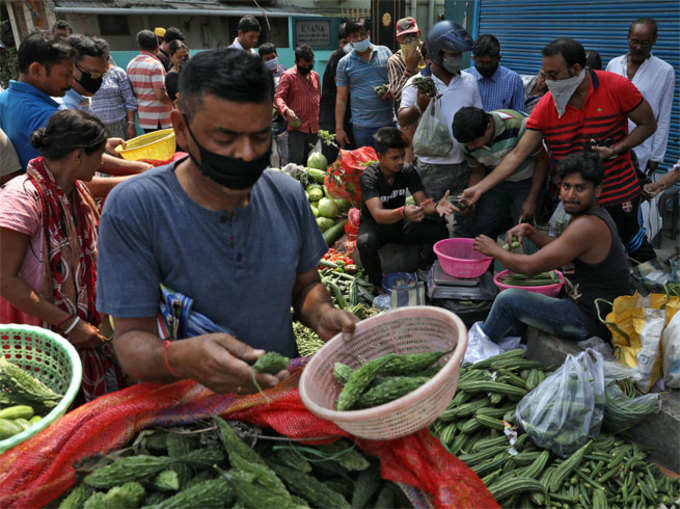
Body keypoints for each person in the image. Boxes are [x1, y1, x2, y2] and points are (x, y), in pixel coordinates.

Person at [96, 49, 358, 395]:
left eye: (260, 136)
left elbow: (305, 286)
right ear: (180, 129)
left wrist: (322, 312)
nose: (247, 154)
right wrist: (180, 358)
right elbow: (129, 343)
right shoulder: (136, 208)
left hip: (277, 395)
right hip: (186, 412)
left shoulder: (286, 194)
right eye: (225, 138)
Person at [462, 38, 658, 263]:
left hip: (618, 191)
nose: (547, 81)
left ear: (577, 69)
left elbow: (648, 124)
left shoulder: (616, 87)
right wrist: (479, 189)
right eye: (545, 74)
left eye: (553, 75)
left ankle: (660, 293)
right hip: (574, 198)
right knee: (579, 257)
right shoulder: (546, 106)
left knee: (634, 249)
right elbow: (518, 154)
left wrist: (615, 149)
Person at [0, 109, 125, 401]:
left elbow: (98, 186)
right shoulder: (21, 199)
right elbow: (4, 280)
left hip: (80, 325)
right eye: (99, 157)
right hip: (39, 331)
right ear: (78, 156)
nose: (102, 164)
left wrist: (145, 176)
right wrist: (68, 322)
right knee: (50, 401)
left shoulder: (71, 188)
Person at [473, 149, 632, 342]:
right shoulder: (589, 217)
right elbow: (563, 247)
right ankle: (505, 348)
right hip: (586, 309)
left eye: (580, 188)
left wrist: (494, 250)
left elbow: (530, 267)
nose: (570, 195)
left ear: (597, 190)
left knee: (508, 300)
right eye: (566, 186)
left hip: (590, 322)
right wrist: (532, 232)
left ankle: (477, 354)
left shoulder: (588, 225)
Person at [0, 31, 149, 189]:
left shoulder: (6, 99)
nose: (71, 82)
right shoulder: (46, 115)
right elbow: (79, 181)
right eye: (65, 75)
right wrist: (142, 173)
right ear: (37, 70)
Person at [357, 127, 455, 287]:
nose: (401, 161)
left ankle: (426, 266)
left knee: (440, 230)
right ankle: (377, 284)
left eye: (402, 156)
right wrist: (403, 211)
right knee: (365, 242)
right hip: (376, 226)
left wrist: (436, 206)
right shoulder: (369, 177)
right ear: (380, 157)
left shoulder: (407, 171)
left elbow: (422, 203)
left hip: (400, 224)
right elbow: (378, 215)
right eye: (394, 158)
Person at [398, 20, 482, 202]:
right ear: (437, 54)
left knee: (459, 218)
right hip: (429, 168)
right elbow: (402, 119)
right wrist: (419, 107)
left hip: (463, 165)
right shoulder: (417, 83)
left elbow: (479, 119)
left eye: (460, 54)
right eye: (453, 54)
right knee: (429, 219)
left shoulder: (469, 81)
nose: (458, 58)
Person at [452, 106, 548, 238]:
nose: (470, 147)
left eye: (474, 143)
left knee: (523, 226)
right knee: (485, 223)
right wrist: (472, 192)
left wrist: (532, 199)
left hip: (526, 182)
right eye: (467, 144)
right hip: (495, 184)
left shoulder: (519, 125)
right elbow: (477, 170)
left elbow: (541, 161)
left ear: (489, 127)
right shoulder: (467, 140)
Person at [606, 18, 674, 177]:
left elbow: (664, 115)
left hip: (641, 148)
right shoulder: (613, 64)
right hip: (610, 144)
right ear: (628, 37)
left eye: (645, 43)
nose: (638, 47)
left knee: (632, 194)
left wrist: (656, 155)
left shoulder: (665, 71)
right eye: (635, 41)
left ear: (654, 40)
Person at [336, 18, 393, 149]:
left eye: (363, 34)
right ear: (349, 39)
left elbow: (397, 81)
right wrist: (339, 129)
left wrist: (391, 88)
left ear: (369, 33)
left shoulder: (385, 52)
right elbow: (341, 99)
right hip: (362, 127)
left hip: (387, 123)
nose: (360, 39)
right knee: (367, 165)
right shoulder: (344, 63)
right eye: (355, 36)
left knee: (389, 165)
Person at [274, 44, 321, 166]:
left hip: (314, 128)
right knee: (296, 163)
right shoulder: (288, 76)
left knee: (312, 164)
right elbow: (279, 97)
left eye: (309, 64)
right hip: (297, 129)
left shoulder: (315, 76)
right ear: (296, 61)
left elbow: (318, 96)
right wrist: (286, 110)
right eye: (303, 65)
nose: (307, 67)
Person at [319, 22, 354, 164]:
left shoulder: (348, 57)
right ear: (342, 42)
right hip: (332, 121)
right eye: (347, 41)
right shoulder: (339, 57)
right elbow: (341, 88)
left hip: (341, 118)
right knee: (333, 163)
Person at [91, 38, 138, 140]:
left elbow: (130, 100)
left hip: (120, 125)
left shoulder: (118, 73)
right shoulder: (86, 75)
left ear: (107, 58)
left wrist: (131, 125)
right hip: (97, 129)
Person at [126, 29, 173, 133]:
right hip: (160, 118)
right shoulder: (155, 65)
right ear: (157, 46)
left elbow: (133, 92)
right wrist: (174, 102)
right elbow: (160, 95)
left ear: (139, 46)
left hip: (144, 118)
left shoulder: (130, 65)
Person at [465, 34, 525, 112]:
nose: (485, 67)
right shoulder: (463, 78)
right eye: (481, 63)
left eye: (489, 63)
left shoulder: (513, 80)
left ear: (499, 59)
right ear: (473, 59)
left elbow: (519, 115)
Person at [386, 17, 425, 109]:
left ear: (419, 34)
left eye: (412, 35)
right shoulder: (395, 61)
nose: (409, 40)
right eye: (405, 36)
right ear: (398, 39)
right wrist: (408, 70)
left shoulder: (429, 52)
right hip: (409, 114)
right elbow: (397, 95)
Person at [164, 39, 189, 106]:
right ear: (171, 57)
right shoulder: (172, 76)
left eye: (186, 56)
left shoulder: (188, 71)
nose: (183, 60)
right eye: (179, 57)